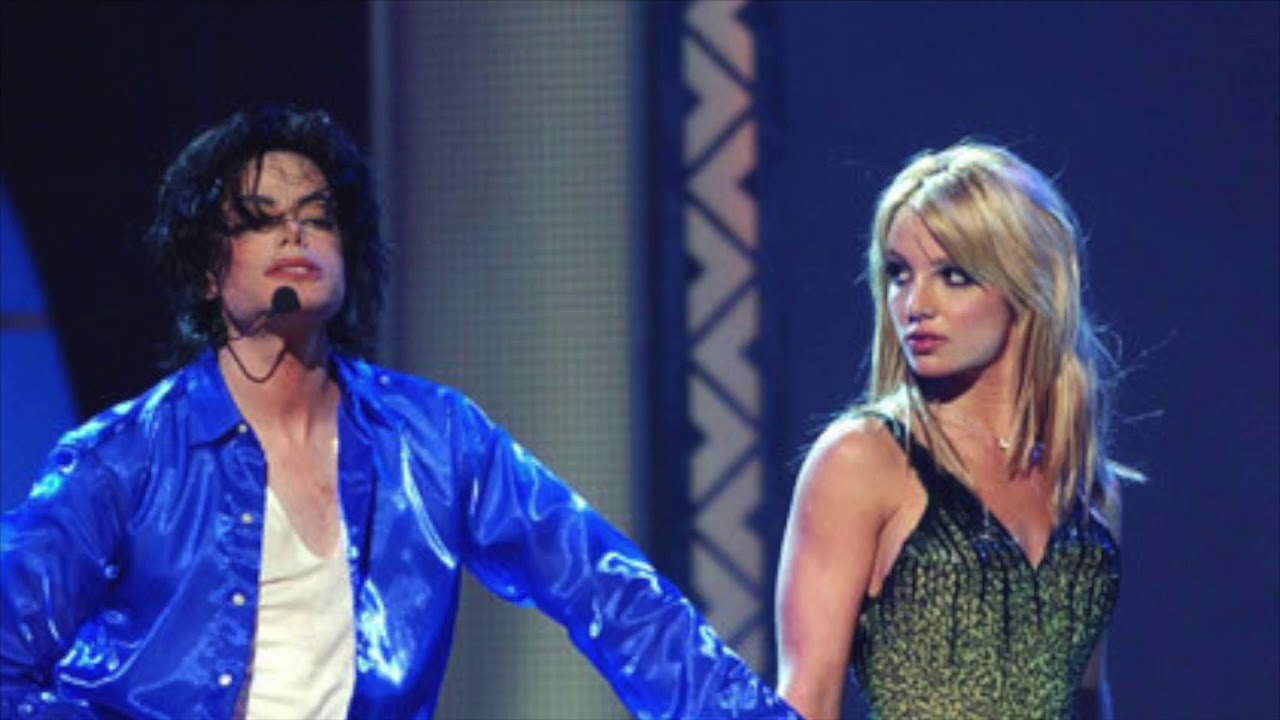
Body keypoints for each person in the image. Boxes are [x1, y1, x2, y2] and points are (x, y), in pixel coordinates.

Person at [0, 105, 796, 720]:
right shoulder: (126, 458)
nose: (296, 233)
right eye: (261, 218)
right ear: (208, 271)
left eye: (318, 216)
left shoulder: (434, 440)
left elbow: (608, 592)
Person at [774, 142, 1138, 719]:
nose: (915, 304)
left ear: (1028, 285)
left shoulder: (1090, 489)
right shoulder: (863, 461)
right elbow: (808, 700)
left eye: (953, 275)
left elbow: (1089, 697)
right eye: (899, 274)